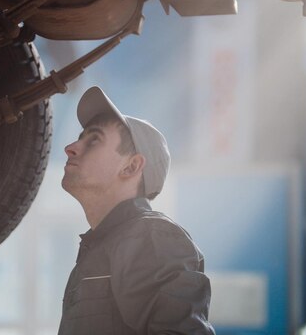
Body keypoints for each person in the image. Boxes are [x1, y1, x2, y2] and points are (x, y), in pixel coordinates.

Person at [58, 86, 215, 335]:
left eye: (94, 139)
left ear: (131, 167)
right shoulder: (101, 247)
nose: (71, 147)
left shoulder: (151, 237)